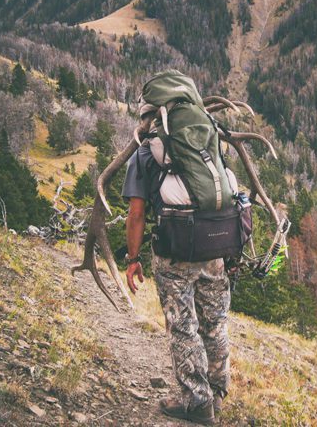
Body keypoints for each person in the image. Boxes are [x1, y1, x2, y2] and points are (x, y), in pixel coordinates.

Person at [122, 143, 230, 425]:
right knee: (215, 321)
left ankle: (198, 401)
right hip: (214, 246)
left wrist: (132, 258)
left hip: (175, 253)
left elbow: (136, 213)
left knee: (182, 325)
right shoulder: (207, 142)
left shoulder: (145, 154)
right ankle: (217, 392)